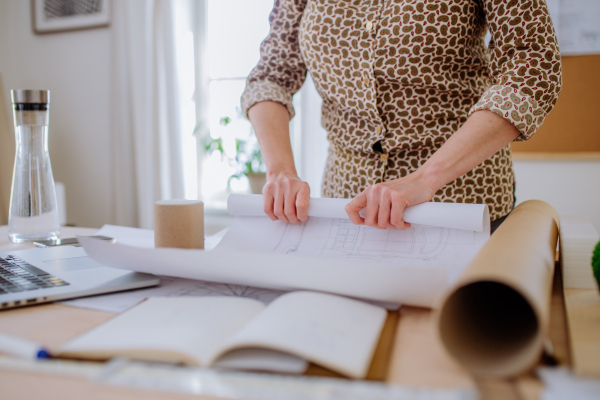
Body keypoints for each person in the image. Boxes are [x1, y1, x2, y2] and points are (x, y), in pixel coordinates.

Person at [241, 0, 561, 231]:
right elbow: (271, 76)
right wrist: (279, 171)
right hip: (348, 210)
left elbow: (533, 62)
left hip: (460, 201)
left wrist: (426, 178)